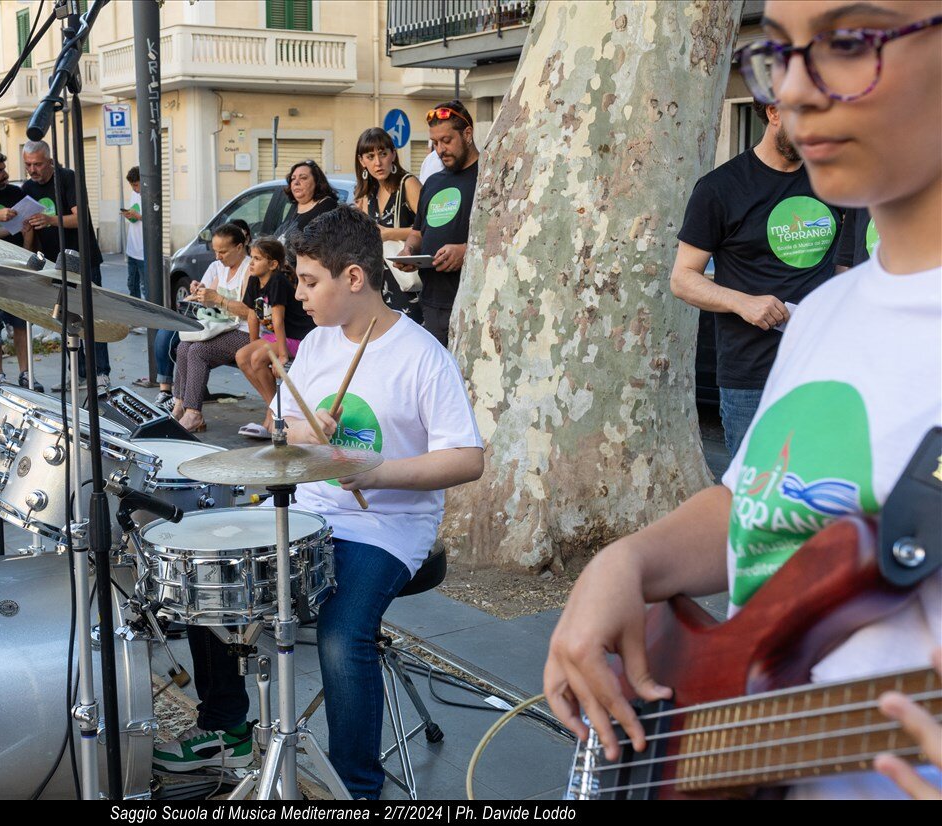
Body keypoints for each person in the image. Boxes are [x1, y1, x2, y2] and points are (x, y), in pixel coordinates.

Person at [544, 0, 942, 801]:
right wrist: (628, 561)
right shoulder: (832, 310)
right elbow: (758, 499)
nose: (793, 89)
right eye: (779, 52)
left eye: (847, 41)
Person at [154, 208, 484, 798]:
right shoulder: (322, 344)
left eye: (309, 281)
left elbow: (466, 459)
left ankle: (356, 788)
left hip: (386, 526)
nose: (297, 293)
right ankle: (227, 725)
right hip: (311, 510)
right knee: (211, 563)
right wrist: (303, 432)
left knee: (341, 632)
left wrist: (376, 468)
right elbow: (281, 422)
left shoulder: (421, 355)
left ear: (353, 278)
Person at [671, 100, 843, 458]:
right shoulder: (719, 188)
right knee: (754, 494)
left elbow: (845, 264)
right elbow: (683, 278)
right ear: (774, 112)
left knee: (820, 494)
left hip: (823, 366)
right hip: (752, 375)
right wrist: (742, 302)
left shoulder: (834, 179)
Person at [20, 139, 110, 394]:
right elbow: (31, 232)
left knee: (92, 318)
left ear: (49, 161)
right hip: (54, 264)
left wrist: (48, 219)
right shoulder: (27, 187)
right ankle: (77, 374)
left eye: (37, 164)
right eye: (28, 165)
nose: (32, 170)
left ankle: (100, 374)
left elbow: (80, 217)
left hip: (83, 259)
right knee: (64, 320)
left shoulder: (68, 178)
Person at [395, 100, 480, 346]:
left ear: (467, 134)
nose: (440, 149)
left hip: (472, 301)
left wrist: (467, 252)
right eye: (435, 142)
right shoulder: (433, 182)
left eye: (446, 140)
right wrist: (409, 251)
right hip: (432, 303)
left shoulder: (489, 176)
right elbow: (418, 231)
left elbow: (508, 235)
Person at [169, 223, 252, 433]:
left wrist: (219, 299)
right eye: (215, 251)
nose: (218, 257)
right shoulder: (222, 269)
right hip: (223, 327)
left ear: (239, 247)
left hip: (245, 331)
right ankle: (180, 404)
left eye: (223, 252)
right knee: (183, 347)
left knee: (198, 351)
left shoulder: (248, 270)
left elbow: (251, 312)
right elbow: (208, 300)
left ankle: (193, 414)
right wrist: (200, 292)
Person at [235, 237, 315, 439]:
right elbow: (253, 315)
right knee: (243, 357)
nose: (251, 263)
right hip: (278, 337)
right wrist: (253, 345)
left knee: (256, 359)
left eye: (257, 259)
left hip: (297, 337)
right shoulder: (254, 279)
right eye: (251, 257)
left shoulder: (277, 281)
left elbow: (278, 321)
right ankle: (274, 408)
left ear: (273, 264)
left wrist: (281, 356)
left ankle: (273, 414)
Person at [0, 142, 41, 391]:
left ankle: (26, 373)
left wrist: (26, 234)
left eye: (2, 169)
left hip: (16, 267)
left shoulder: (16, 194)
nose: (1, 174)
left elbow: (28, 238)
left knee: (21, 322)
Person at [353, 126, 424, 322]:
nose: (377, 162)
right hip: (379, 285)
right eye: (370, 156)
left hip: (408, 281)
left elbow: (430, 228)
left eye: (383, 154)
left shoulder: (407, 184)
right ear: (362, 161)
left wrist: (389, 233)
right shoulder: (367, 195)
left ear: (393, 154)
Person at [273, 159, 338, 246]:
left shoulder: (327, 206)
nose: (296, 182)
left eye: (303, 178)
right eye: (293, 179)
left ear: (317, 181)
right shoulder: (295, 206)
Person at [122, 166, 147, 302]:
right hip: (132, 249)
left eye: (136, 185)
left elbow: (154, 220)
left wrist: (138, 216)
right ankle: (136, 316)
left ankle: (150, 318)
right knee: (132, 284)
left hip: (144, 251)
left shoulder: (150, 195)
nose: (134, 189)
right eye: (132, 185)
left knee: (146, 287)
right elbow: (135, 217)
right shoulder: (134, 194)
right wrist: (129, 215)